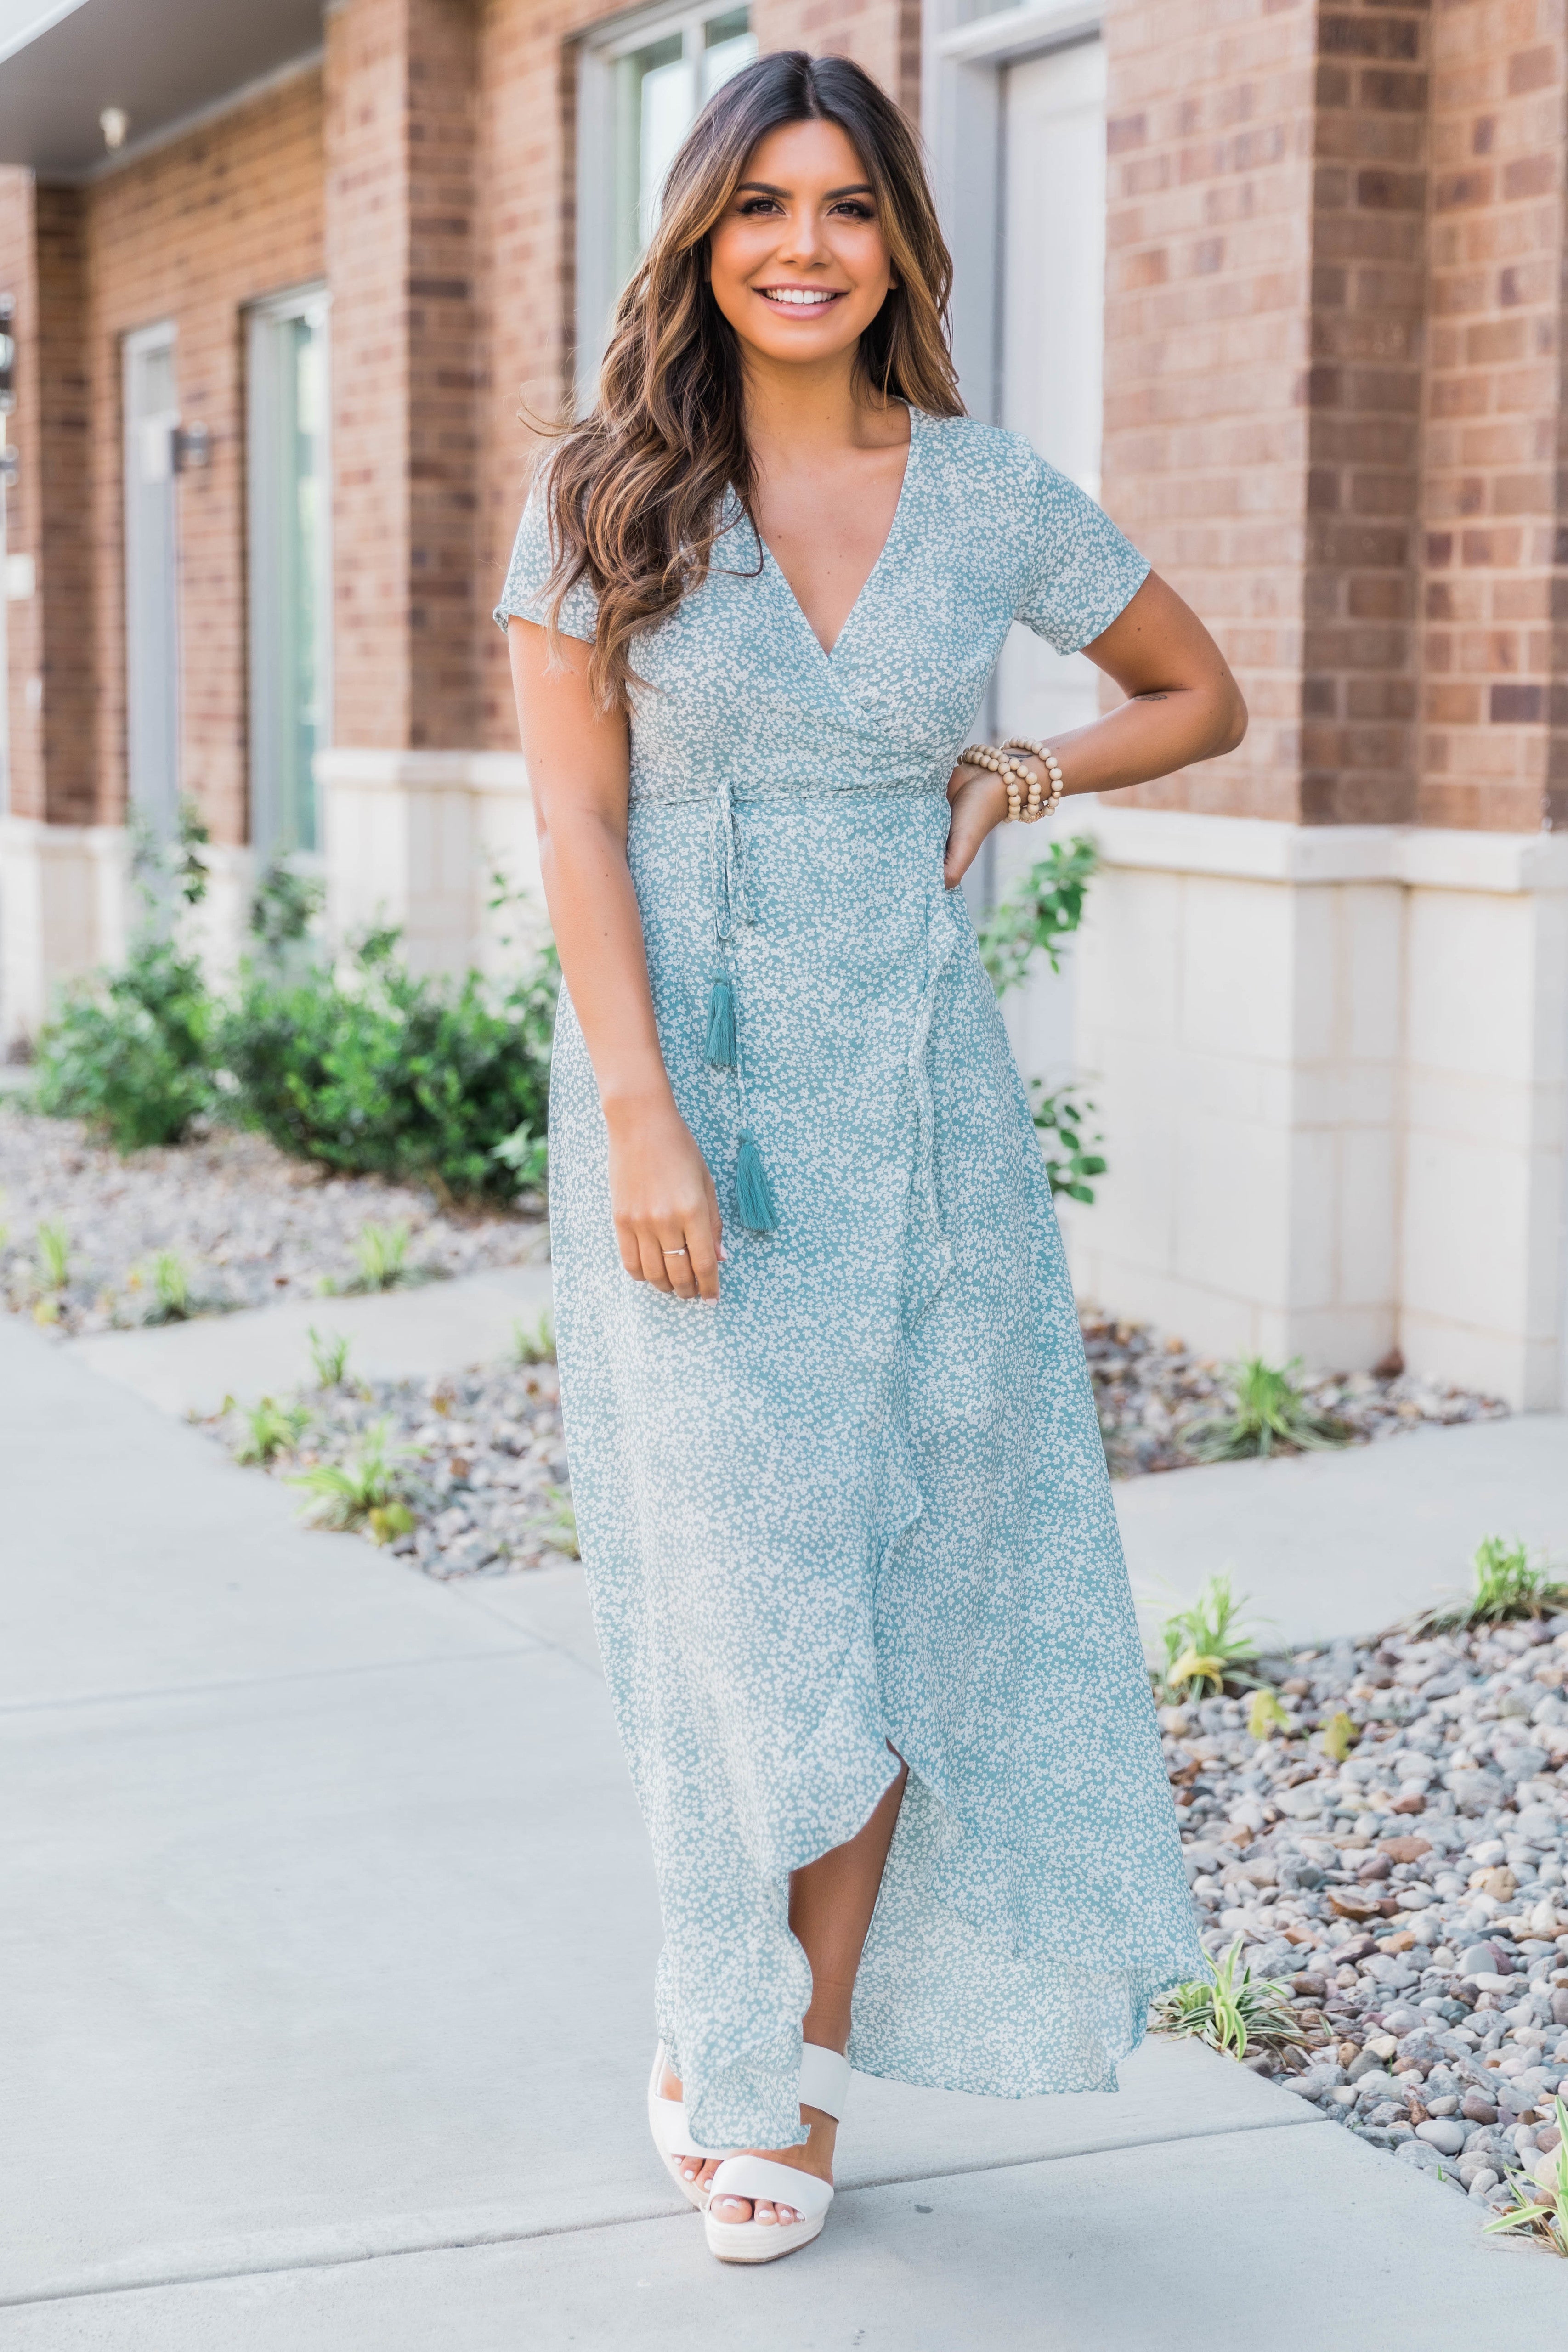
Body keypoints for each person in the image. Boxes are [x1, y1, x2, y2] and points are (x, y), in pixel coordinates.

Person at [499, 49, 1240, 2267]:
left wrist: (1020, 763)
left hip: (914, 1104)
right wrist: (642, 1108)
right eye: (759, 206)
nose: (800, 245)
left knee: (898, 1571)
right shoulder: (606, 494)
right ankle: (718, 2004)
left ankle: (787, 2057)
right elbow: (570, 820)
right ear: (699, 241)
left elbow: (1198, 691)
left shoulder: (991, 493)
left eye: (841, 206)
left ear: (896, 242)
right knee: (736, 1589)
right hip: (685, 1104)